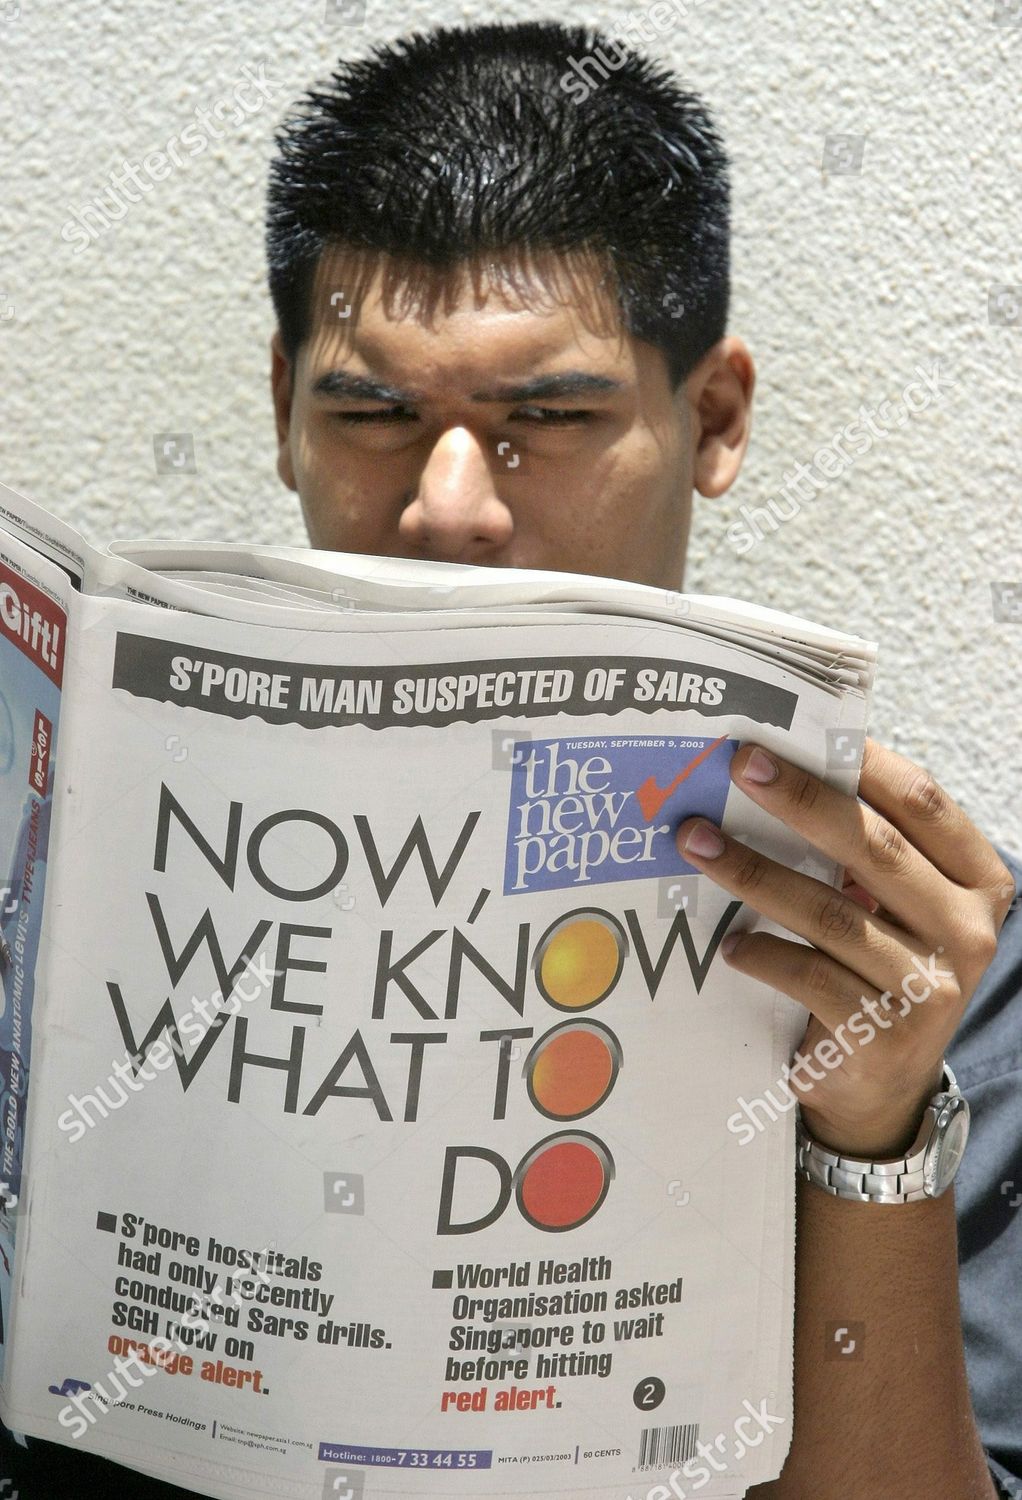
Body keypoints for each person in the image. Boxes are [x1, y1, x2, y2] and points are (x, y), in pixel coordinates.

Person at [3, 19, 1019, 1498]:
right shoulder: (69, 846)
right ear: (283, 406)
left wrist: (871, 1145)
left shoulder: (923, 959)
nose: (450, 508)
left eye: (546, 418)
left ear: (711, 417)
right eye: (372, 414)